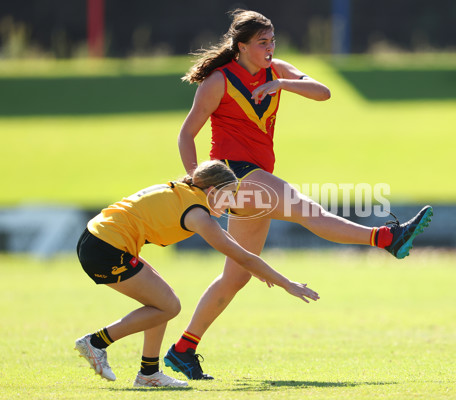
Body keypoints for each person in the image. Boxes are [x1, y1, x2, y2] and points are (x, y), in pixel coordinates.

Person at [164, 9, 433, 380]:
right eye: (262, 43)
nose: (270, 48)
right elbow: (185, 134)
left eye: (272, 41)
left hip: (254, 177)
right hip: (234, 176)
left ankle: (183, 349)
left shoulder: (277, 71)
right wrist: (199, 181)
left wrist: (283, 85)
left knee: (236, 276)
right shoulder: (218, 81)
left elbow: (322, 93)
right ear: (241, 47)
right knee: (306, 209)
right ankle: (386, 237)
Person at [74, 160, 320, 387]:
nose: (230, 203)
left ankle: (149, 374)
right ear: (212, 190)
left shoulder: (187, 193)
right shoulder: (197, 214)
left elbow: (237, 250)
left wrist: (255, 268)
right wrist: (288, 284)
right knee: (168, 306)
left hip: (98, 238)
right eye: (227, 195)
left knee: (161, 301)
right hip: (105, 248)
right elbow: (241, 255)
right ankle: (96, 343)